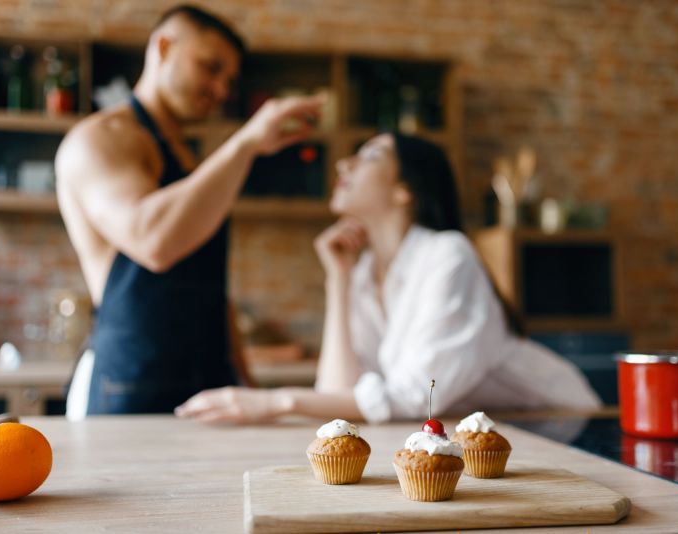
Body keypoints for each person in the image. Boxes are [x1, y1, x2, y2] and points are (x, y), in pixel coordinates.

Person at [175, 133, 602, 424]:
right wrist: (337, 281)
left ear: (406, 191)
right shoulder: (364, 273)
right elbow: (338, 392)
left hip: (563, 426)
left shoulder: (448, 255)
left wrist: (274, 401)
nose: (345, 161)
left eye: (370, 155)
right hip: (482, 432)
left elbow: (418, 396)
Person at [56, 5, 324, 416]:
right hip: (134, 379)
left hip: (210, 378)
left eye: (229, 80)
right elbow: (152, 241)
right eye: (210, 67)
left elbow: (212, 291)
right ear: (163, 47)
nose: (221, 89)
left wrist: (245, 379)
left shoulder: (188, 159)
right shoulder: (98, 138)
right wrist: (246, 142)